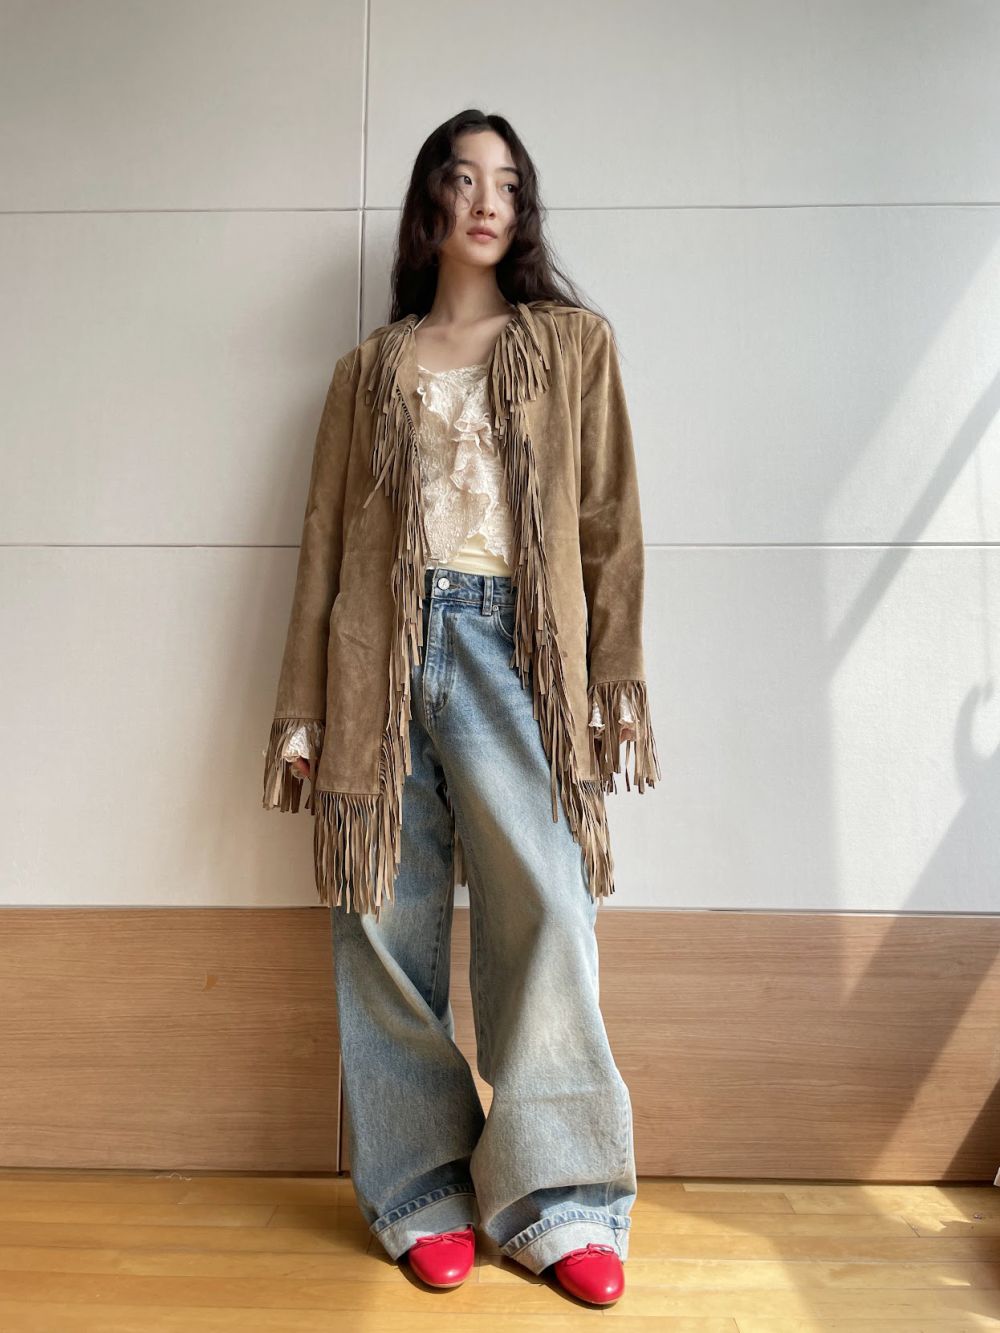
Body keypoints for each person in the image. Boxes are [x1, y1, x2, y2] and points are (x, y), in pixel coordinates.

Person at [262, 109, 661, 1307]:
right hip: (376, 654)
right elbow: (325, 545)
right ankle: (420, 1186)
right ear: (429, 201)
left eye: (507, 183)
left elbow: (609, 528)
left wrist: (609, 683)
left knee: (547, 908)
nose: (487, 200)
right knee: (382, 916)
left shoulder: (572, 345)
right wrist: (304, 704)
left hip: (516, 649)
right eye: (463, 177)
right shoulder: (367, 371)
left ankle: (560, 1197)